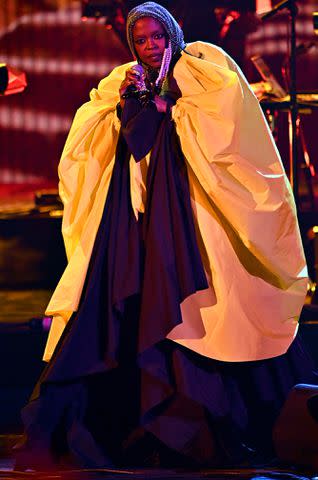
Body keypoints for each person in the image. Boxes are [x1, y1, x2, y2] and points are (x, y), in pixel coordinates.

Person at [16, 1, 316, 470]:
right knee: (121, 305)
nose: (151, 47)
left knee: (211, 311)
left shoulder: (202, 67)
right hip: (135, 216)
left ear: (172, 33)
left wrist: (169, 109)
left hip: (195, 211)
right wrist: (125, 107)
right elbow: (93, 132)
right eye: (142, 40)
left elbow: (226, 126)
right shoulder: (124, 77)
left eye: (158, 37)